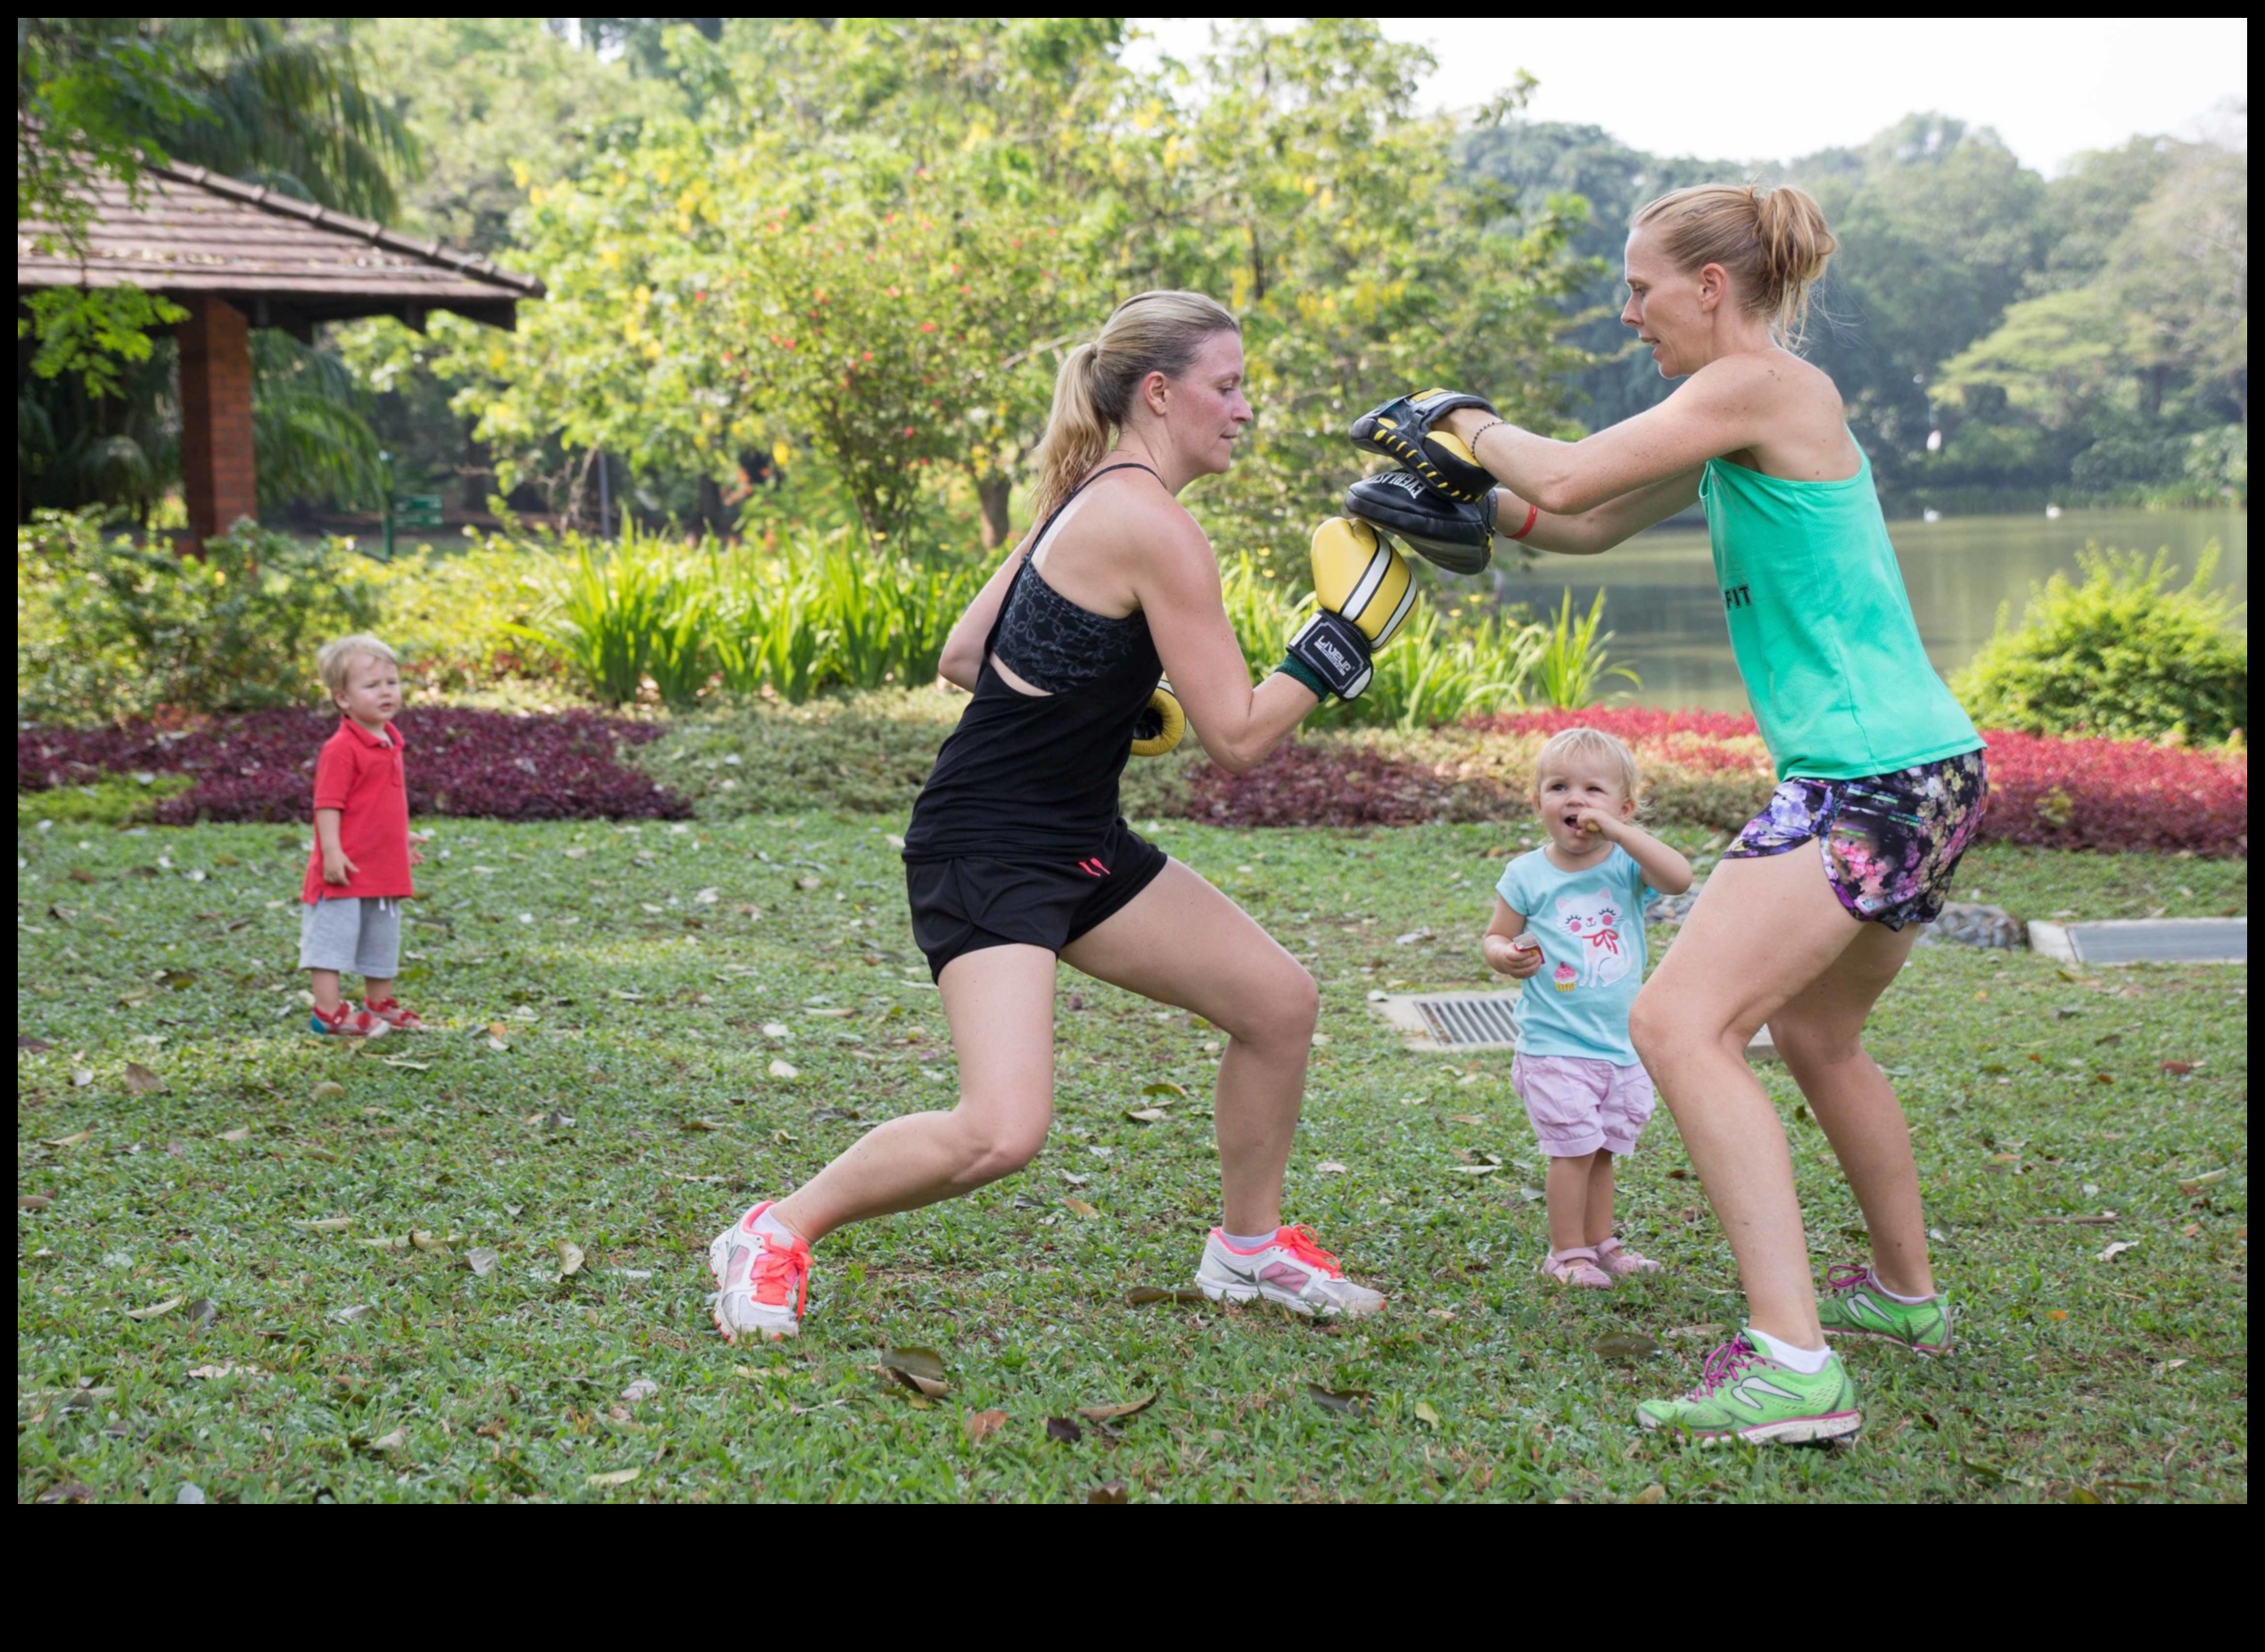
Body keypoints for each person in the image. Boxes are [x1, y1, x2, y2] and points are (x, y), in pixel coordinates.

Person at [1355, 184, 1984, 1443]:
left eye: (1641, 285)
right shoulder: (1727, 422)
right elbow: (1574, 516)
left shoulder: (1764, 385)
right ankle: (1906, 1299)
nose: (1627, 309)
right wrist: (1454, 503)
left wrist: (1456, 414)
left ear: (1710, 285)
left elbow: (1573, 463)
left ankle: (1794, 1367)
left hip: (1865, 778)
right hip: (1923, 771)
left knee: (1676, 1021)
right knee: (1816, 1034)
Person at [710, 291, 1413, 1342]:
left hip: (1073, 837)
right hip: (991, 846)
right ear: (1160, 391)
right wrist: (1336, 643)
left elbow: (963, 655)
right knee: (1000, 1129)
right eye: (1227, 386)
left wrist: (1112, 698)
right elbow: (1237, 735)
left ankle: (1248, 1249)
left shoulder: (1086, 496)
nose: (1243, 409)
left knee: (1276, 1002)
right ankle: (772, 1227)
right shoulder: (1153, 525)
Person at [1484, 727, 1692, 1288]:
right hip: (1555, 1046)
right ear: (1538, 803)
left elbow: (1679, 878)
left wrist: (1624, 835)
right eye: (1558, 787)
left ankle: (1601, 1242)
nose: (1575, 800)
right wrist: (1506, 955)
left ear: (1623, 808)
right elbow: (1495, 936)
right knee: (1572, 1153)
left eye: (1593, 790)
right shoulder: (1528, 874)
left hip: (1620, 1047)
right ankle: (1565, 1253)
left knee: (1601, 1153)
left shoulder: (1626, 867)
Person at [301, 635, 426, 1039]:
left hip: (381, 865)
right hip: (345, 867)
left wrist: (400, 840)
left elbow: (380, 805)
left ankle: (379, 1003)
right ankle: (328, 1011)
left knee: (381, 939)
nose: (386, 691)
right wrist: (332, 853)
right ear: (343, 698)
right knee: (332, 940)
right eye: (372, 686)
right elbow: (328, 805)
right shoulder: (341, 748)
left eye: (391, 682)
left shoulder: (389, 740)